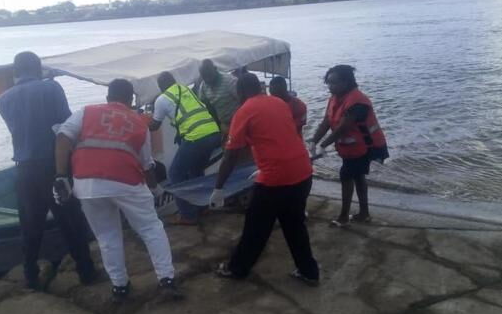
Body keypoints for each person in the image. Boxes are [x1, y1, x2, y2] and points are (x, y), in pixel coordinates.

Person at [54, 78, 181, 303]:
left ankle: (120, 287)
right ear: (131, 99)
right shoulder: (139, 122)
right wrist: (156, 188)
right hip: (126, 182)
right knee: (151, 228)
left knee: (107, 236)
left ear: (107, 97)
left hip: (87, 183)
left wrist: (61, 176)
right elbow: (147, 164)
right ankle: (166, 280)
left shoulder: (86, 112)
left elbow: (63, 136)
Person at [209, 73, 320, 286]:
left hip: (276, 180)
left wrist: (218, 188)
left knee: (255, 228)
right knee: (295, 226)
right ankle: (309, 272)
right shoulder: (279, 102)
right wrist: (262, 168)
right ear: (260, 87)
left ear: (239, 92)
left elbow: (231, 154)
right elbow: (278, 138)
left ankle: (236, 269)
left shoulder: (244, 111)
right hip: (303, 171)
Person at [0, 51, 96, 290]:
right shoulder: (51, 89)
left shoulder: (3, 99)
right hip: (54, 167)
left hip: (24, 171)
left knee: (30, 226)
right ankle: (86, 272)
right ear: (39, 68)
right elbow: (65, 125)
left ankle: (30, 277)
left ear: (15, 71)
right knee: (71, 220)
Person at [307, 65, 389, 227]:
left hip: (364, 147)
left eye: (334, 83)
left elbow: (343, 127)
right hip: (351, 148)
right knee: (358, 177)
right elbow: (326, 121)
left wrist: (324, 144)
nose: (330, 87)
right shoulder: (335, 98)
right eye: (328, 83)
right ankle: (364, 214)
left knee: (346, 176)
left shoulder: (358, 101)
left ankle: (344, 218)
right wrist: (314, 140)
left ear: (346, 82)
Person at [149, 72, 221, 225]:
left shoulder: (162, 99)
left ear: (160, 86)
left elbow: (155, 125)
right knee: (196, 171)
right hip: (213, 133)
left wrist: (138, 121)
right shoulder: (184, 89)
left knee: (175, 173)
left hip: (196, 137)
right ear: (174, 81)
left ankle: (187, 214)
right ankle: (203, 207)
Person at [198, 59, 240, 140]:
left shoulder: (230, 81)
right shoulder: (203, 86)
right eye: (204, 76)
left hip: (238, 122)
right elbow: (205, 108)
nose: (207, 79)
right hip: (223, 125)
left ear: (215, 69)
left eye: (209, 75)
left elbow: (244, 102)